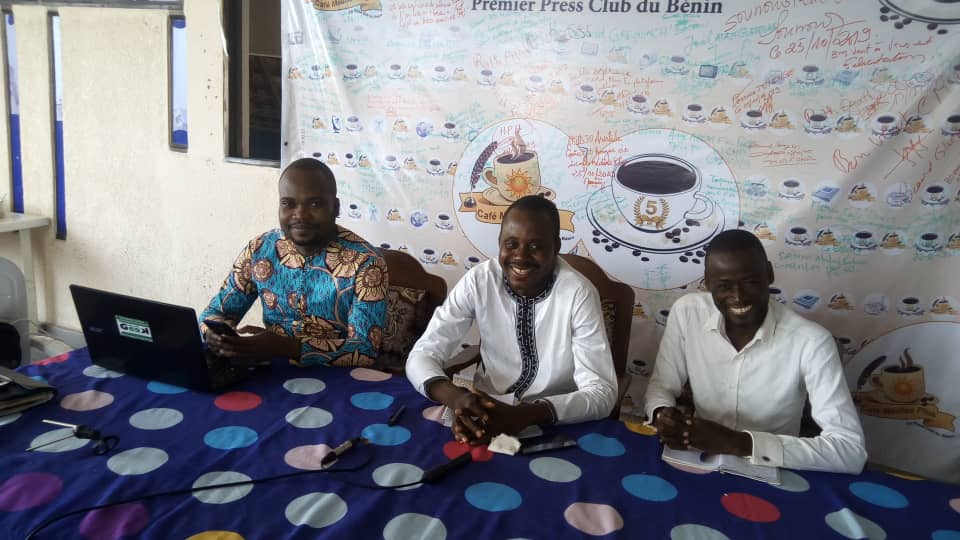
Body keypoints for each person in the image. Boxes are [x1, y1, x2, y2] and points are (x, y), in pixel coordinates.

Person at [645, 229, 867, 474]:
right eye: (724, 286)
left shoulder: (812, 342)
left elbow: (850, 451)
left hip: (776, 472)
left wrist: (738, 443)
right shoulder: (687, 313)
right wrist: (663, 416)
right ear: (707, 283)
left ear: (769, 274)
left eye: (750, 282)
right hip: (697, 460)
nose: (738, 297)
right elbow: (662, 386)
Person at [405, 196, 617, 444]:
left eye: (535, 246)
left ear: (556, 246)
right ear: (499, 243)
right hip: (483, 412)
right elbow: (422, 354)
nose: (521, 256)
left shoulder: (578, 293)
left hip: (554, 422)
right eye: (511, 244)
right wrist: (456, 398)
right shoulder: (479, 280)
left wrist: (525, 415)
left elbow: (602, 393)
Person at [200, 158, 388, 367]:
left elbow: (364, 350)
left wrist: (287, 348)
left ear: (335, 208)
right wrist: (214, 334)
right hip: (270, 371)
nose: (300, 215)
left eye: (315, 204)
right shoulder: (260, 249)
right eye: (288, 204)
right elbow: (213, 313)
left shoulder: (367, 263)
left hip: (338, 378)